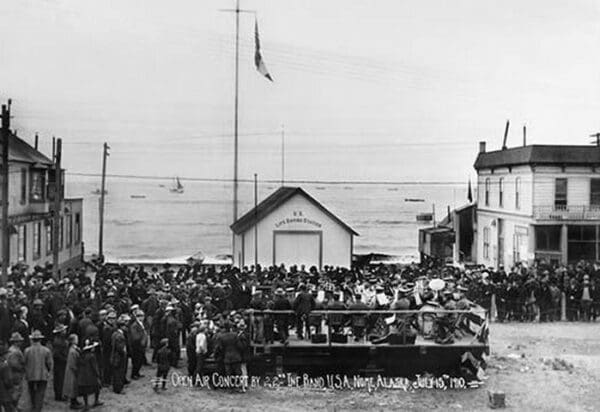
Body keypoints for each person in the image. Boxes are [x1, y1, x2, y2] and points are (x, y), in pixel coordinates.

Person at [23, 330, 53, 412]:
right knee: (40, 393)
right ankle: (37, 409)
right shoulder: (46, 350)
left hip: (30, 374)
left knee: (32, 392)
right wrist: (48, 371)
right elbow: (49, 364)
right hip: (42, 374)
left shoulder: (27, 350)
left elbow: (24, 363)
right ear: (40, 339)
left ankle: (33, 406)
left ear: (32, 339)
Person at [77, 341, 103, 411]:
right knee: (97, 387)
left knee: (85, 391)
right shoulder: (92, 356)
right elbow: (94, 367)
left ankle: (86, 404)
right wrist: (98, 374)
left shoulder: (81, 355)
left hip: (82, 376)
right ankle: (96, 400)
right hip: (91, 376)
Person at [110, 315, 129, 394]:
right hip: (119, 357)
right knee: (119, 373)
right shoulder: (120, 336)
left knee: (116, 372)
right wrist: (124, 352)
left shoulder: (114, 334)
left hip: (114, 355)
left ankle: (116, 387)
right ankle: (118, 388)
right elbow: (120, 348)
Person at [6, 333, 25, 411]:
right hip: (15, 374)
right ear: (16, 342)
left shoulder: (11, 349)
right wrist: (22, 368)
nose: (21, 342)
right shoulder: (15, 351)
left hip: (12, 373)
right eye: (20, 341)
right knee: (16, 391)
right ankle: (13, 407)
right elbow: (14, 364)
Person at [63, 334, 81, 410]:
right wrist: (76, 369)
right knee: (72, 387)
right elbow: (72, 363)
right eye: (76, 339)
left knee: (75, 387)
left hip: (73, 370)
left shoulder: (74, 349)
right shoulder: (72, 351)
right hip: (72, 371)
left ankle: (75, 400)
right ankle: (73, 403)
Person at [51, 325, 69, 402]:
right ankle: (59, 395)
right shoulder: (58, 341)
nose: (65, 331)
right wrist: (64, 359)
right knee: (59, 379)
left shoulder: (60, 340)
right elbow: (56, 354)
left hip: (60, 361)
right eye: (64, 330)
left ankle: (59, 394)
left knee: (60, 378)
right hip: (60, 363)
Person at [128, 310, 147, 380]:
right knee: (136, 360)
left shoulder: (140, 324)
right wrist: (142, 337)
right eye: (140, 316)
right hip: (136, 346)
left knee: (140, 360)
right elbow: (135, 337)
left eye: (142, 316)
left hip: (141, 345)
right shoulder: (134, 325)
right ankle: (134, 374)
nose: (142, 318)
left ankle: (137, 372)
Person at [0, 343, 14, 412]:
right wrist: (11, 387)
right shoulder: (4, 366)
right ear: (3, 355)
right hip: (4, 393)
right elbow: (8, 381)